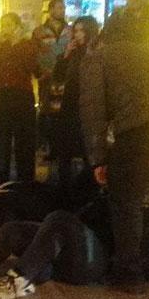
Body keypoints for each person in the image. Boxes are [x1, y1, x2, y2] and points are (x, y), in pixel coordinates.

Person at [79, 22, 149, 293]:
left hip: (137, 130)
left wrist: (98, 159)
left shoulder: (99, 58)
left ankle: (129, 273)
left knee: (127, 202)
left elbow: (93, 112)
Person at [0, 195, 112, 299]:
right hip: (66, 251)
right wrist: (91, 177)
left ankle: (20, 280)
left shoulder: (124, 198)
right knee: (13, 229)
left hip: (94, 259)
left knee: (60, 218)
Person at [0, 12, 40, 188]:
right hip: (2, 96)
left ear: (17, 26)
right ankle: (1, 182)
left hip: (22, 95)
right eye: (3, 25)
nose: (5, 29)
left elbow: (32, 67)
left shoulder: (27, 45)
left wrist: (18, 43)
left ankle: (26, 182)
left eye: (9, 25)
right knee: (1, 141)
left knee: (24, 141)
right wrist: (0, 45)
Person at [49, 16, 99, 194]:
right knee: (65, 152)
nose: (77, 35)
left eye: (81, 31)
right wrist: (65, 55)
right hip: (68, 108)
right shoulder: (73, 53)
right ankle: (65, 192)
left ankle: (89, 191)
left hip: (86, 108)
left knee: (88, 152)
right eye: (75, 31)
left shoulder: (95, 53)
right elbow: (58, 77)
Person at [33, 0, 71, 160]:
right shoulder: (39, 32)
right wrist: (39, 73)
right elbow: (34, 54)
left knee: (62, 112)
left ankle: (61, 147)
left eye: (63, 8)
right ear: (50, 10)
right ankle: (47, 146)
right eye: (59, 8)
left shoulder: (70, 31)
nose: (62, 10)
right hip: (47, 78)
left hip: (65, 78)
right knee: (47, 111)